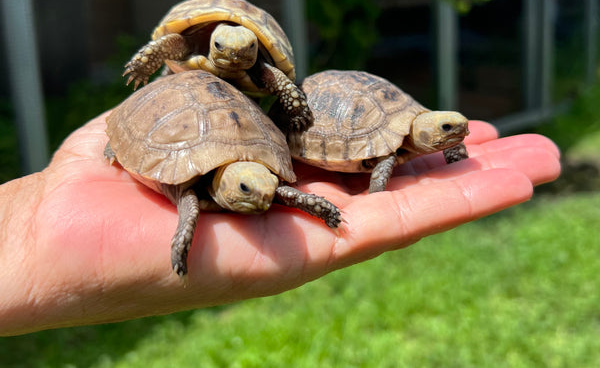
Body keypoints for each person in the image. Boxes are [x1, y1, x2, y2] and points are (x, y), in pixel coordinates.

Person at [0, 112, 560, 336]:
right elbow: (191, 202)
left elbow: (276, 190)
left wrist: (307, 200)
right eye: (250, 191)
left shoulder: (265, 186)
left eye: (270, 191)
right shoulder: (197, 193)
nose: (264, 201)